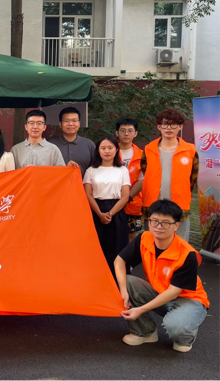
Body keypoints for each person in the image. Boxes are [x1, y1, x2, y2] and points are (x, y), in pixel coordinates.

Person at [114, 199, 209, 353]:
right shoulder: (144, 238)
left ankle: (186, 336)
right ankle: (145, 332)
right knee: (126, 281)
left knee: (176, 327)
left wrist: (141, 309)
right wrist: (123, 290)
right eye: (154, 221)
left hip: (188, 299)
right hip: (160, 292)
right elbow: (119, 261)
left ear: (176, 226)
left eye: (165, 223)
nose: (158, 226)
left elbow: (173, 292)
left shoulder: (187, 254)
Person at [140, 109, 198, 243]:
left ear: (180, 126)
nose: (168, 128)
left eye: (173, 124)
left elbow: (192, 178)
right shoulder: (149, 149)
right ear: (159, 126)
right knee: (152, 242)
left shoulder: (190, 150)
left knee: (179, 243)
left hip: (179, 204)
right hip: (153, 204)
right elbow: (146, 172)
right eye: (165, 124)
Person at [83, 136, 130, 275]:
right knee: (97, 246)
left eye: (110, 148)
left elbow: (125, 196)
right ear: (98, 151)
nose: (107, 151)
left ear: (116, 150)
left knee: (117, 246)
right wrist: (100, 214)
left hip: (116, 210)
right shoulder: (91, 170)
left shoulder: (122, 170)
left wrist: (110, 214)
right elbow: (88, 194)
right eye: (103, 148)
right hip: (95, 210)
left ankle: (119, 280)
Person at [116, 118, 144, 241]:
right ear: (117, 133)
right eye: (123, 130)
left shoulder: (142, 155)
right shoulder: (109, 151)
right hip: (112, 201)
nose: (126, 134)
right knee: (112, 234)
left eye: (130, 131)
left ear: (135, 133)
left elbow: (142, 180)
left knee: (131, 235)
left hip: (132, 202)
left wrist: (127, 198)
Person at [48, 106, 95, 177]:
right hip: (56, 184)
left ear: (79, 123)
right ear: (60, 124)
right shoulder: (50, 144)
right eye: (66, 121)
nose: (70, 124)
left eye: (74, 121)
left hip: (82, 184)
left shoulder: (89, 145)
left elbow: (95, 171)